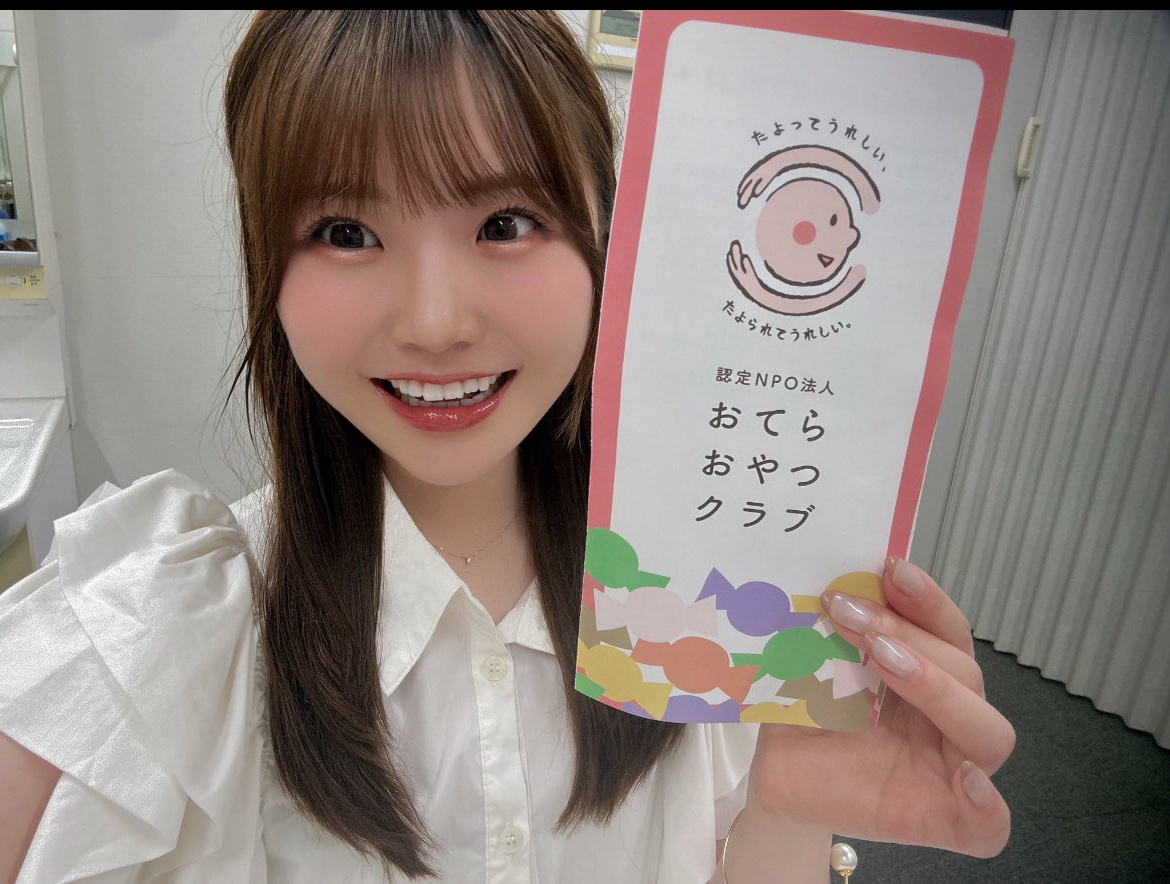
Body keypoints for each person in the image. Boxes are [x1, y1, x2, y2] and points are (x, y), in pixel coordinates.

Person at [0, 10, 1014, 883]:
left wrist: (791, 810)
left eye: (505, 220)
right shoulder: (169, 630)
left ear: (603, 234)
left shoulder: (716, 611)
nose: (435, 322)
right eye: (346, 231)